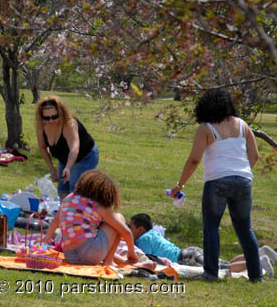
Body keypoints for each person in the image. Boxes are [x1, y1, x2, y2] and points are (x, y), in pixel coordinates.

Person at [169, 89, 263, 281]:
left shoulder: (206, 129)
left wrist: (180, 185)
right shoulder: (243, 125)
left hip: (217, 181)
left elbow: (194, 160)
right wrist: (240, 172)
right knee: (245, 229)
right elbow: (254, 156)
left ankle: (211, 273)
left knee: (211, 227)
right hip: (244, 180)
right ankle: (256, 276)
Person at [43, 169, 155, 270]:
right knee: (118, 218)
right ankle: (109, 262)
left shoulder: (68, 199)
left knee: (95, 244)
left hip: (70, 256)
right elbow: (126, 232)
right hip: (90, 253)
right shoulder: (98, 205)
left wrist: (46, 238)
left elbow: (55, 221)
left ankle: (127, 264)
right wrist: (131, 253)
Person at [129, 213, 275, 277]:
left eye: (131, 228)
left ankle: (257, 262)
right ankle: (260, 252)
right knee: (225, 263)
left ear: (140, 229)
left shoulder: (143, 241)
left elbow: (146, 260)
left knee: (224, 268)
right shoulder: (154, 233)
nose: (128, 231)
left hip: (185, 258)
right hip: (189, 252)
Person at [35, 96, 99, 198]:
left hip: (84, 157)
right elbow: (42, 147)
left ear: (60, 113)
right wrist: (52, 169)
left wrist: (68, 167)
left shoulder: (69, 124)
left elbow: (74, 147)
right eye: (46, 118)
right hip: (64, 158)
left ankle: (81, 212)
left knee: (75, 193)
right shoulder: (41, 126)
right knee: (62, 192)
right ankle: (65, 213)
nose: (51, 120)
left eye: (54, 116)